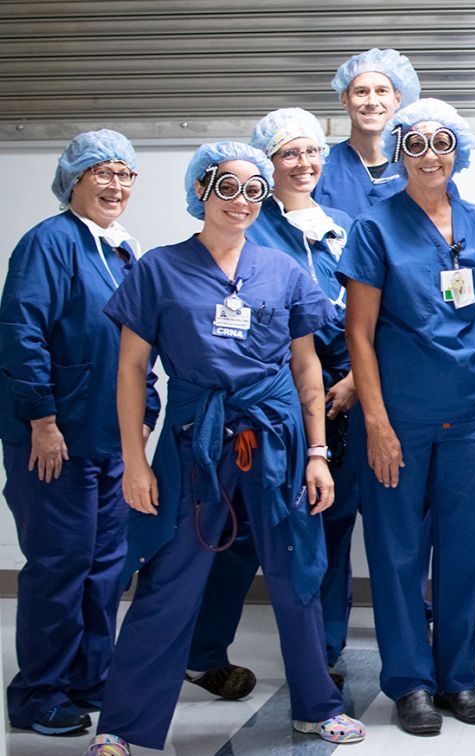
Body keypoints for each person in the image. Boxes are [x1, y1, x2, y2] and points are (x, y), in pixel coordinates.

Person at [88, 141, 365, 756]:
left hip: (277, 438)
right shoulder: (159, 268)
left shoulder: (284, 270)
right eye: (228, 188)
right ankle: (125, 726)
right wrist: (135, 461)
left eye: (254, 191)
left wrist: (318, 454)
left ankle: (317, 708)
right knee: (170, 580)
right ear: (201, 193)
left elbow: (307, 369)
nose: (241, 201)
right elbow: (133, 369)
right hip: (195, 441)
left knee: (297, 574)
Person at [338, 97, 475, 736]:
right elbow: (359, 334)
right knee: (396, 550)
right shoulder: (375, 227)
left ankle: (457, 679)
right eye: (416, 145)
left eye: (442, 144)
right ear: (401, 152)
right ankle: (410, 682)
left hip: (469, 414)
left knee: (468, 549)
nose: (430, 157)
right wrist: (378, 422)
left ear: (458, 152)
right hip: (400, 418)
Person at [183, 108, 359, 699]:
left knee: (328, 526)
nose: (303, 163)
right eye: (287, 154)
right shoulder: (248, 224)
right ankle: (204, 650)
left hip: (348, 390)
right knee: (237, 532)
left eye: (312, 151)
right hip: (266, 401)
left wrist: (356, 376)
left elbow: (374, 308)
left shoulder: (346, 224)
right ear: (265, 165)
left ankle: (323, 650)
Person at [0, 130, 158, 737]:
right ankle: (39, 692)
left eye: (126, 174)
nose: (116, 185)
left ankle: (90, 676)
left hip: (109, 440)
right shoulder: (49, 243)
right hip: (56, 442)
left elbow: (137, 344)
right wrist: (41, 419)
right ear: (74, 180)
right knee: (59, 565)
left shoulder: (123, 253)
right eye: (103, 173)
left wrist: (143, 413)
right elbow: (22, 332)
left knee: (104, 565)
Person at [312, 48, 421, 218]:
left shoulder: (422, 166)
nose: (372, 102)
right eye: (361, 92)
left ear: (397, 99)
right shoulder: (320, 168)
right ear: (345, 99)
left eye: (381, 91)